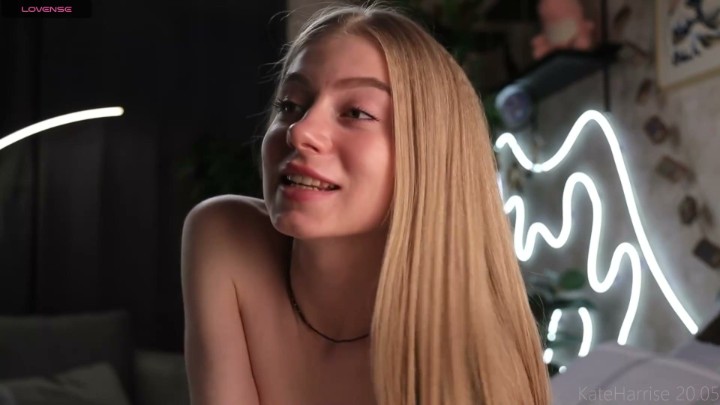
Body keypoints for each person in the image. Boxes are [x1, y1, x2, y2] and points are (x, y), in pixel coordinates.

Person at [181, 2, 551, 405]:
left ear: (427, 154)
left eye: (356, 112)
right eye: (289, 105)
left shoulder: (477, 367)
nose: (300, 131)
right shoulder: (225, 239)